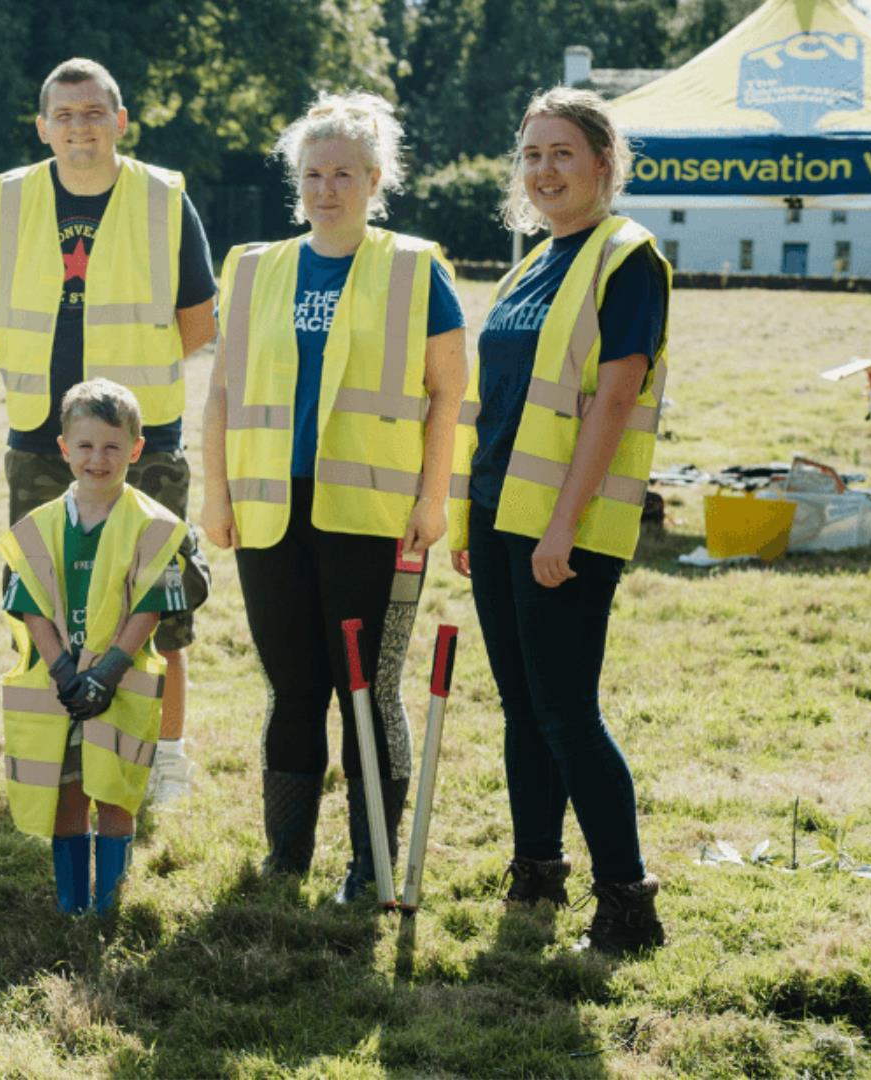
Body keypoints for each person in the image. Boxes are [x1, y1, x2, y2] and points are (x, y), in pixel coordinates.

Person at [200, 91, 470, 901]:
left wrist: (434, 500)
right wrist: (216, 496)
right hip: (269, 512)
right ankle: (286, 857)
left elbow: (450, 397)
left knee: (368, 691)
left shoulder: (418, 268)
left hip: (376, 517)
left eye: (345, 173)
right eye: (313, 173)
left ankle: (370, 863)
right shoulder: (253, 270)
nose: (327, 189)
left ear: (376, 178)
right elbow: (220, 397)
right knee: (293, 689)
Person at [0, 58, 216, 807]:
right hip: (43, 436)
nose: (79, 126)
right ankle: (57, 754)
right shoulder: (7, 197)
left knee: (159, 609)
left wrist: (124, 408)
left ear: (121, 120)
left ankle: (162, 756)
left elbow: (198, 321)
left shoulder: (164, 197)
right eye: (64, 115)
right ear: (43, 126)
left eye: (93, 112)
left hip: (144, 440)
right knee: (40, 605)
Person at [466, 87, 670, 954]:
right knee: (521, 707)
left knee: (565, 712)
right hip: (497, 513)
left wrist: (561, 527)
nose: (545, 170)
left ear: (602, 164)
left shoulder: (628, 257)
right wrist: (476, 520)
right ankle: (535, 872)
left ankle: (628, 904)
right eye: (533, 155)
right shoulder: (533, 260)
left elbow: (615, 398)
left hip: (564, 526)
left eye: (563, 154)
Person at [0, 379, 197, 914]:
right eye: (85, 446)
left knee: (115, 792)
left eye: (112, 446)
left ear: (136, 449)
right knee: (68, 794)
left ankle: (107, 905)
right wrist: (65, 673)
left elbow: (149, 607)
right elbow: (32, 607)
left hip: (122, 684)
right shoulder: (36, 528)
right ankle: (71, 906)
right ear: (64, 450)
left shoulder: (153, 525)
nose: (98, 459)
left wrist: (106, 672)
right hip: (58, 689)